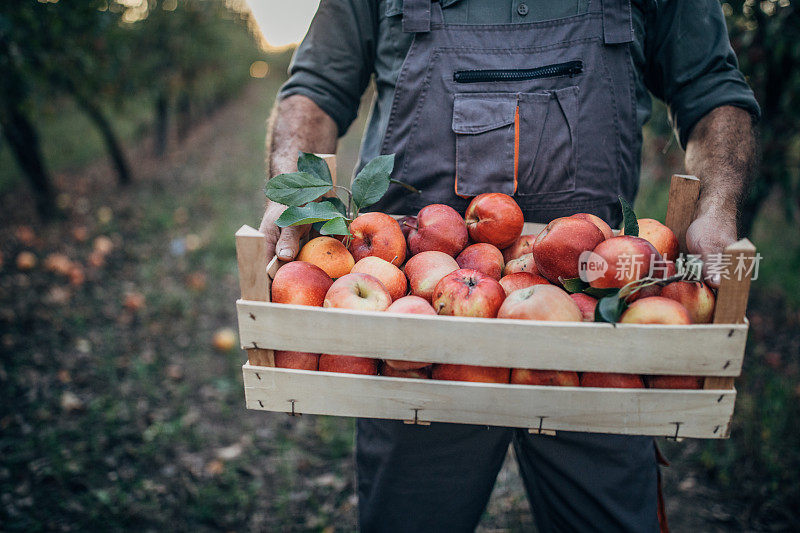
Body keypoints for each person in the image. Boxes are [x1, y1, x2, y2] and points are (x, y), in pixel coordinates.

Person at [259, 1, 759, 531]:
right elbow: (315, 87)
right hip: (416, 329)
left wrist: (718, 210)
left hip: (597, 322)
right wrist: (287, 197)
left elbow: (711, 88)